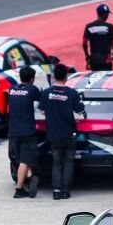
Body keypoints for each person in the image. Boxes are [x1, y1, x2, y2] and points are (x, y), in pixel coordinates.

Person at [41, 63, 85, 200]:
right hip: (69, 134)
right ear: (66, 77)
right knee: (68, 163)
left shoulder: (46, 93)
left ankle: (56, 191)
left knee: (56, 162)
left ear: (54, 77)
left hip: (53, 134)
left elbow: (42, 111)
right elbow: (80, 111)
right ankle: (65, 191)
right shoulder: (72, 93)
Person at [7, 66, 42, 198]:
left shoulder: (11, 89)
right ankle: (19, 189)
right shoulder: (32, 89)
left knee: (21, 159)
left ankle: (31, 176)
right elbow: (42, 102)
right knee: (25, 160)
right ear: (32, 79)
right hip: (27, 131)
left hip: (13, 131)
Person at [82, 4, 113, 71]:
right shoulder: (110, 27)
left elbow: (84, 43)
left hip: (94, 61)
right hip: (107, 62)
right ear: (105, 14)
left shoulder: (89, 26)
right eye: (107, 14)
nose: (108, 16)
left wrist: (87, 56)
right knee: (107, 77)